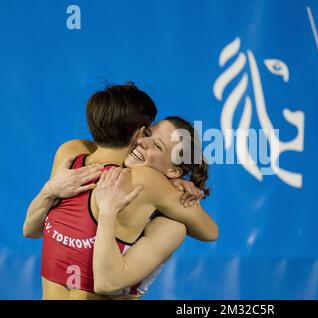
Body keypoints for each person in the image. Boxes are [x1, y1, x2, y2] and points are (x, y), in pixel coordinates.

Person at [23, 83, 218, 299]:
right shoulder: (139, 179)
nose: (144, 143)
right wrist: (50, 190)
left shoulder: (71, 155)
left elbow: (31, 231)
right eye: (148, 133)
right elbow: (209, 231)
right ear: (138, 134)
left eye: (158, 146)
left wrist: (176, 185)